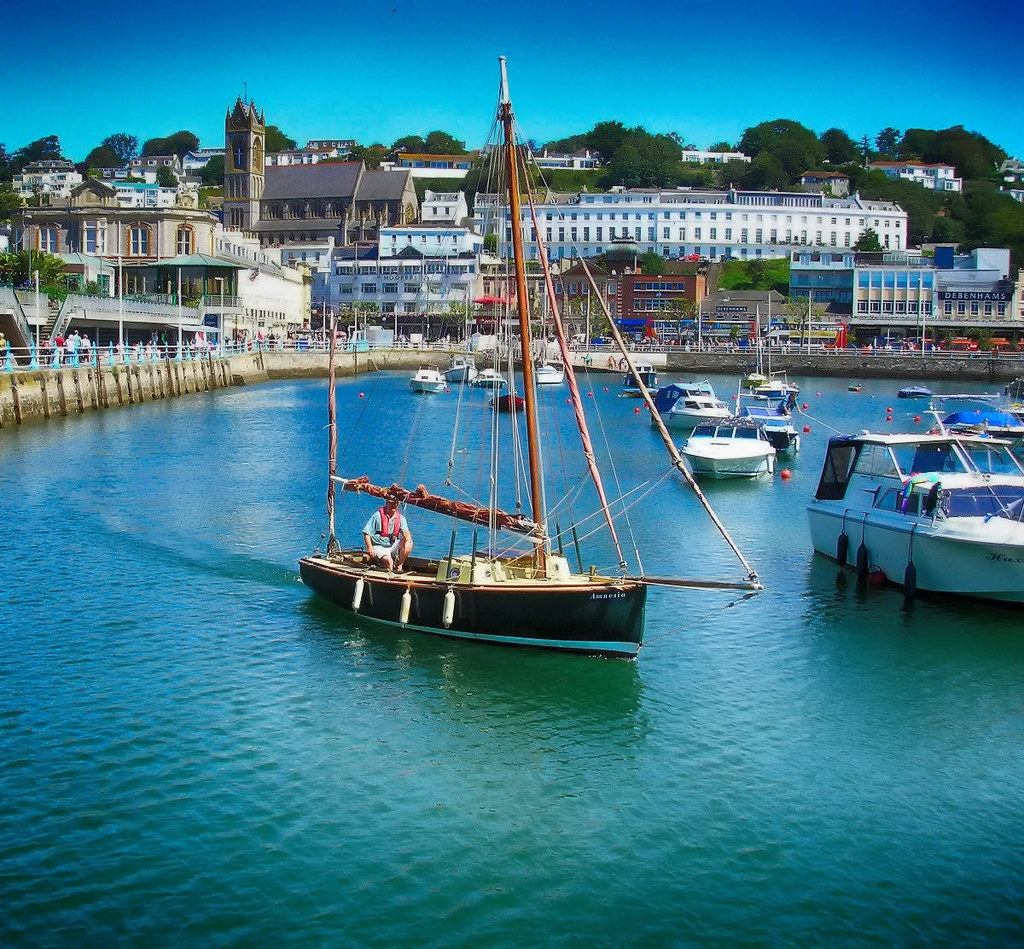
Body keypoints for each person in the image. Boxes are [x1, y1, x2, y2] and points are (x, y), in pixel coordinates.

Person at [363, 490, 413, 571]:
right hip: (378, 545)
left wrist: (407, 539)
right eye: (391, 503)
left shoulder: (401, 518)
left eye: (395, 503)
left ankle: (399, 566)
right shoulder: (377, 516)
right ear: (387, 502)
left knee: (409, 542)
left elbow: (406, 532)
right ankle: (389, 576)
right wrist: (369, 547)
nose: (393, 505)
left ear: (398, 504)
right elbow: (366, 533)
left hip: (391, 545)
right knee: (389, 562)